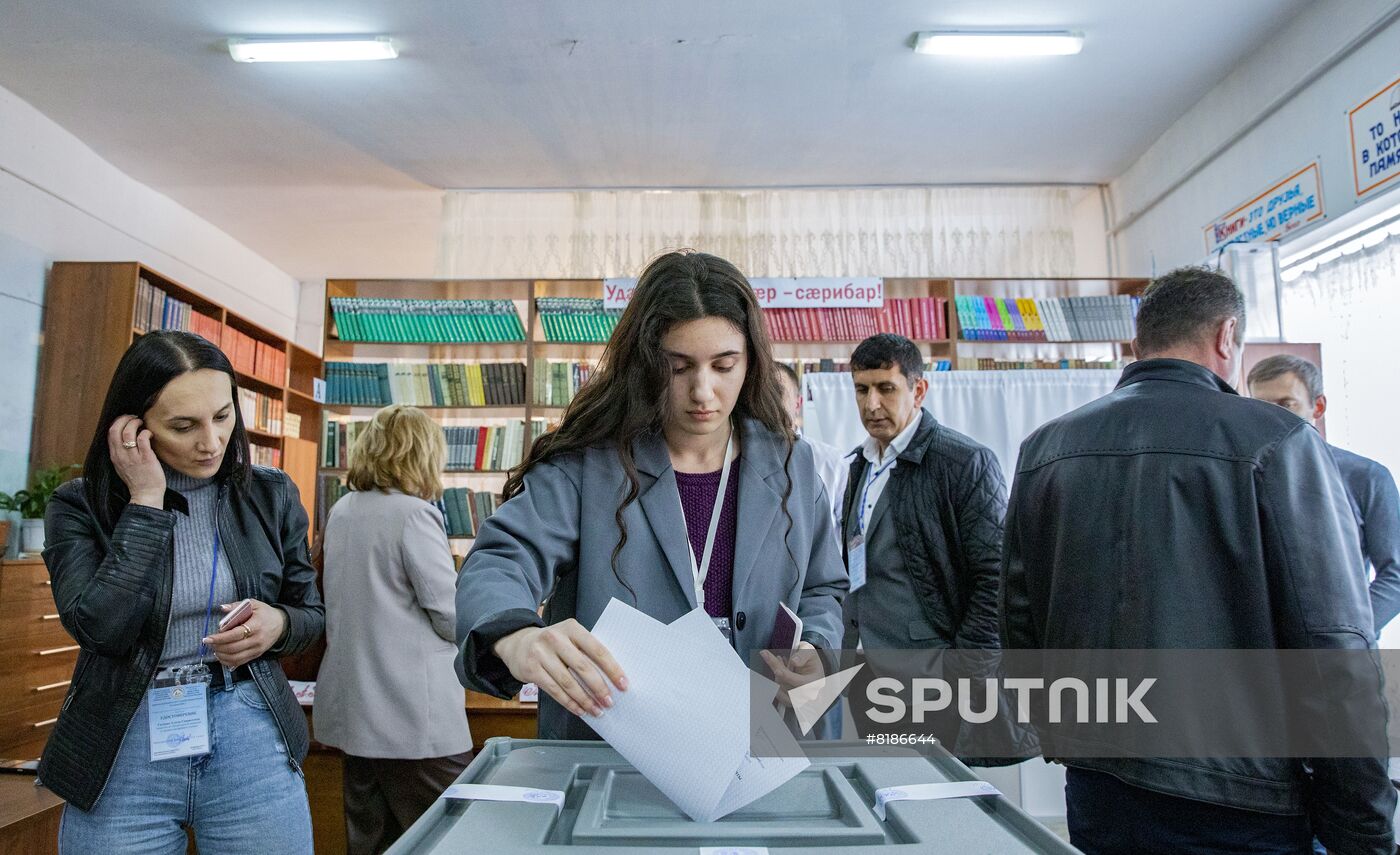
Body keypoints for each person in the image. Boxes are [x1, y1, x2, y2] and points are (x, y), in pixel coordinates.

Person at [1001, 267, 1395, 854]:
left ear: (1139, 342)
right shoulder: (1277, 441)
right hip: (1241, 800)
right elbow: (1332, 650)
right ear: (1227, 335)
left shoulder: (1047, 447)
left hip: (1097, 787)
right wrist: (1364, 828)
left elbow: (1020, 623)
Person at [455, 250, 847, 740]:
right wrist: (513, 635)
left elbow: (823, 589)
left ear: (751, 360)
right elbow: (502, 559)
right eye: (678, 367)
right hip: (617, 748)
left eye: (724, 365)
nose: (703, 392)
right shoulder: (586, 464)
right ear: (644, 363)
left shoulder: (793, 464)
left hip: (760, 737)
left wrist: (815, 645)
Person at [41, 330, 322, 854]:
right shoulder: (79, 506)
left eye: (222, 416)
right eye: (183, 426)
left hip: (247, 728)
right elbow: (100, 628)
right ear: (132, 427)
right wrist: (146, 502)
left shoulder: (270, 492)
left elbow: (311, 613)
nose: (211, 442)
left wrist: (278, 624)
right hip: (126, 737)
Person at [838, 333, 1010, 752]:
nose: (871, 404)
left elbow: (995, 579)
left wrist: (965, 677)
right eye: (862, 390)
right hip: (867, 665)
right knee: (884, 797)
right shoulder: (862, 461)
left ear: (919, 390)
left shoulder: (964, 462)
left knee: (932, 803)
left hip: (931, 674)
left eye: (886, 389)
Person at [315, 404, 474, 854]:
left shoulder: (344, 510)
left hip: (354, 712)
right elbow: (450, 614)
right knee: (453, 835)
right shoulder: (414, 515)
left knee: (371, 839)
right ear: (421, 454)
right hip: (410, 716)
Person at [1247, 353, 1400, 633]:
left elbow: (1396, 575)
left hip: (1345, 660)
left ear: (1317, 407)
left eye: (1285, 404)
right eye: (1261, 406)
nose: (1272, 417)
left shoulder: (1367, 477)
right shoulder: (1243, 479)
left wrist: (1351, 636)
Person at [774, 361, 848, 530]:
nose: (769, 405)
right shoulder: (741, 461)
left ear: (798, 404)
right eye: (762, 396)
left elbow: (851, 536)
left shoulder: (832, 462)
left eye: (777, 394)